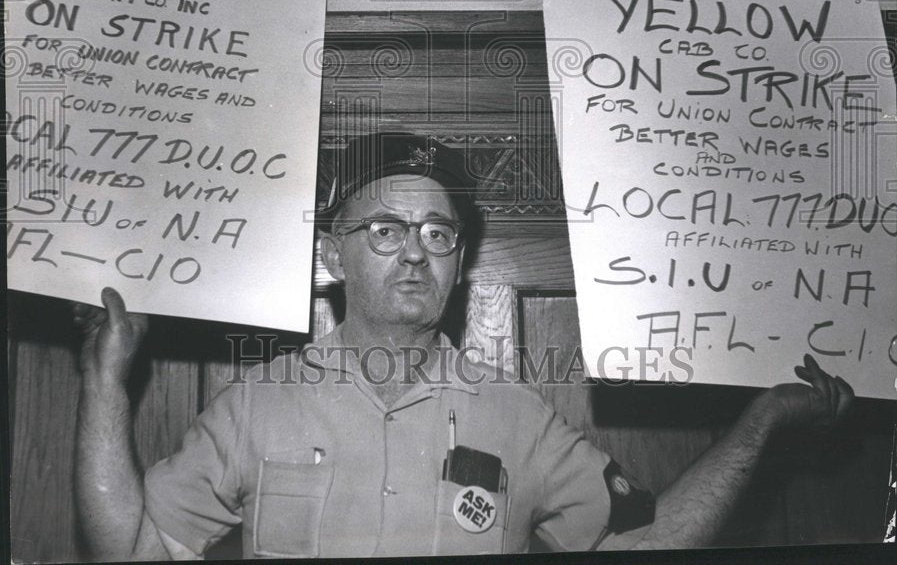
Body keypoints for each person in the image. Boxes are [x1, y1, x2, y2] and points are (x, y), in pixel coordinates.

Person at [74, 132, 854, 559]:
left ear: (457, 261)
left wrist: (761, 424)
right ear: (331, 256)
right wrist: (107, 384)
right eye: (385, 229)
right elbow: (133, 550)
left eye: (437, 233)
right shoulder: (254, 406)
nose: (415, 252)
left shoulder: (516, 417)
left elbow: (645, 542)